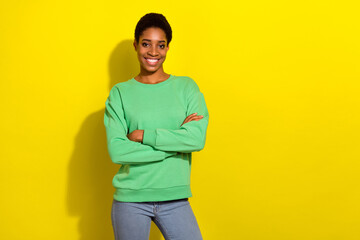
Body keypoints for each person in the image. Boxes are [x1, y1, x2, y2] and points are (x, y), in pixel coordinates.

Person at [104, 12, 209, 240]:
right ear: (136, 45)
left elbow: (196, 140)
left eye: (160, 45)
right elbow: (118, 150)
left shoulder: (186, 88)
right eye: (146, 44)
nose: (153, 52)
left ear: (168, 47)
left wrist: (145, 135)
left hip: (175, 198)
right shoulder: (120, 93)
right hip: (130, 199)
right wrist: (175, 144)